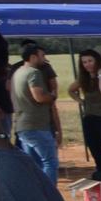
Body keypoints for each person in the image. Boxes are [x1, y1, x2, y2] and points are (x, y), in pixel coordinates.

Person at [9, 42, 61, 188]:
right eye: (42, 56)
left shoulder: (17, 72)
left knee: (34, 166)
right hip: (36, 124)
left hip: (22, 125)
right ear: (33, 57)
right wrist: (52, 96)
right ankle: (50, 198)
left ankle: (37, 199)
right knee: (50, 161)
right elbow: (39, 97)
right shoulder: (34, 73)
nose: (44, 59)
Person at [67, 50, 101, 180]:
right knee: (94, 147)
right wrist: (82, 102)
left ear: (96, 60)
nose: (87, 64)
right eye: (84, 62)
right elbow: (71, 90)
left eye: (90, 61)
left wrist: (100, 75)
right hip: (89, 117)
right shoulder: (84, 78)